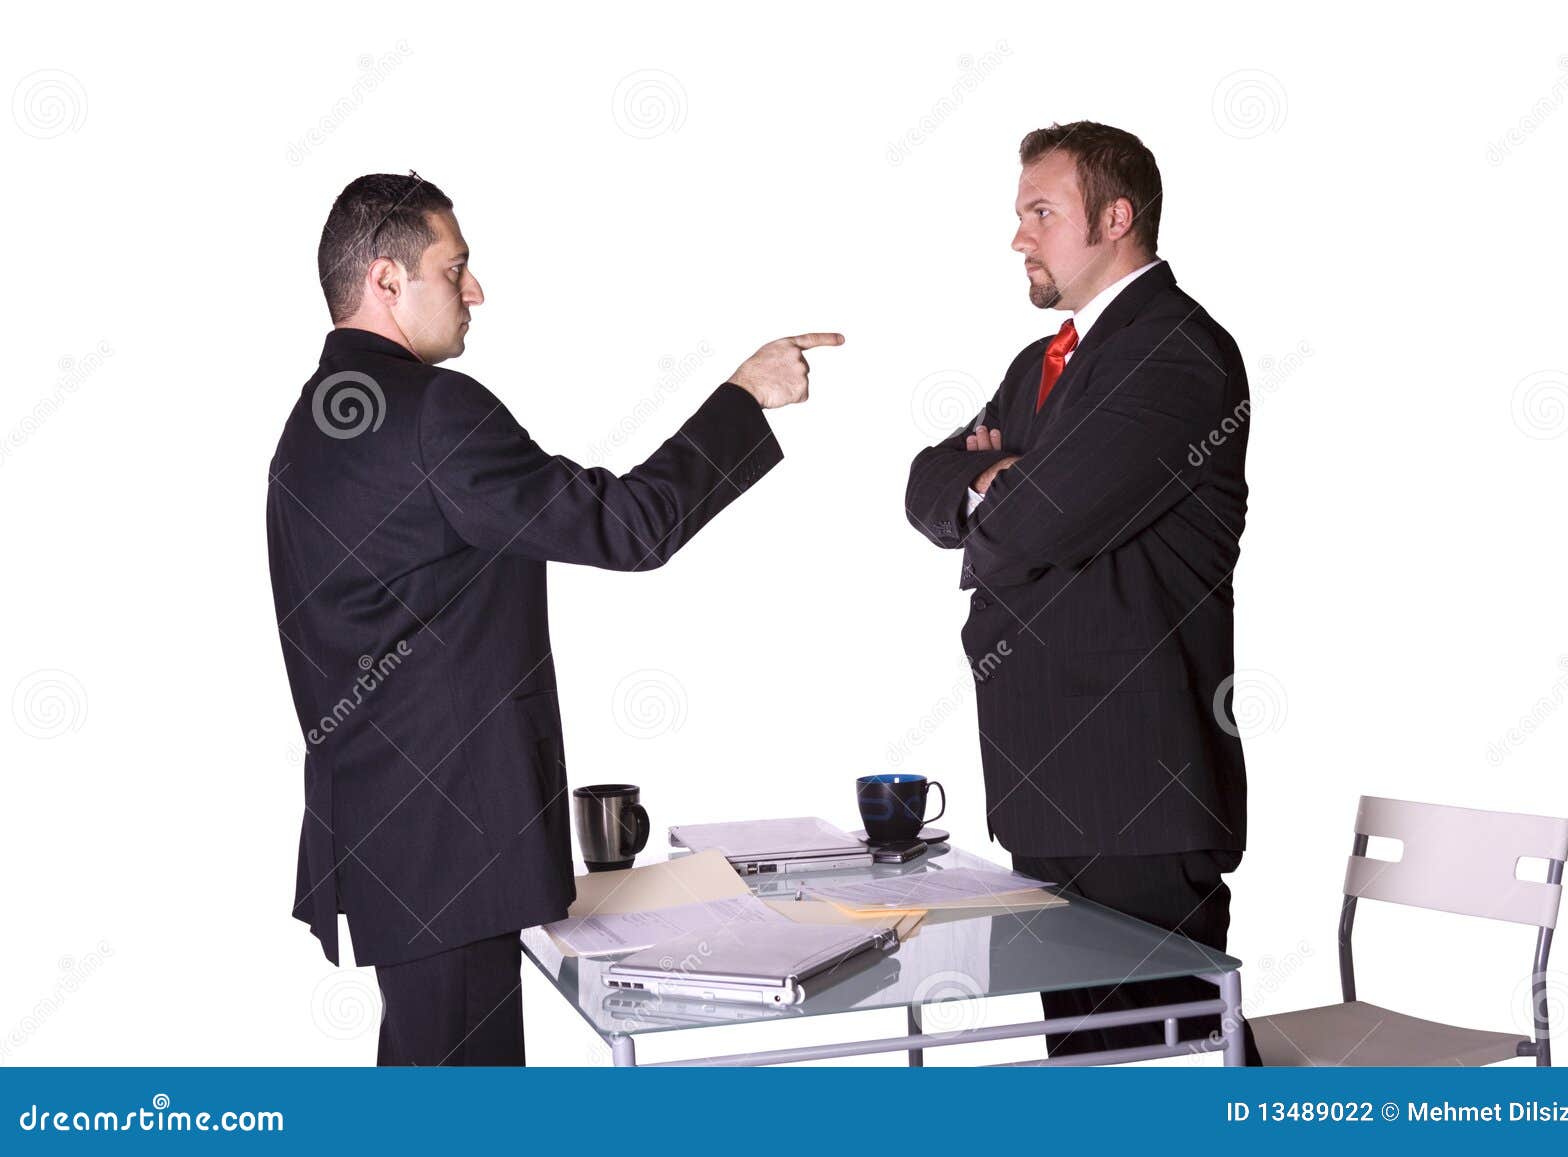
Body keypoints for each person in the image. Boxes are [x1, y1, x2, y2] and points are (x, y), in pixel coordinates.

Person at [267, 171, 842, 1065]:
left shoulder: (309, 427)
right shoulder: (432, 412)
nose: (476, 290)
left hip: (384, 844)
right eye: (455, 268)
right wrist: (742, 397)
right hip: (450, 850)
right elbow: (627, 527)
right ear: (386, 279)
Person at [904, 123, 1260, 1064]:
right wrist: (998, 478)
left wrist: (1007, 486)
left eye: (1041, 212)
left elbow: (1035, 523)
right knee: (1092, 1074)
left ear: (1115, 217)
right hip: (1047, 784)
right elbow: (924, 484)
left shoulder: (1175, 354)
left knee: (1168, 1073)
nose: (1020, 237)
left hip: (1137, 788)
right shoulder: (1041, 365)